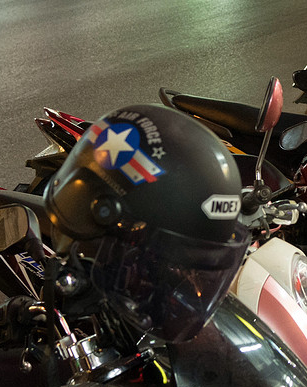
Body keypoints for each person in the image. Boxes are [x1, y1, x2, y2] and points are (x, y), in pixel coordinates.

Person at [44, 104, 250, 345]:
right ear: (104, 211)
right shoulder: (90, 261)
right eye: (168, 258)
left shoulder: (139, 267)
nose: (184, 277)